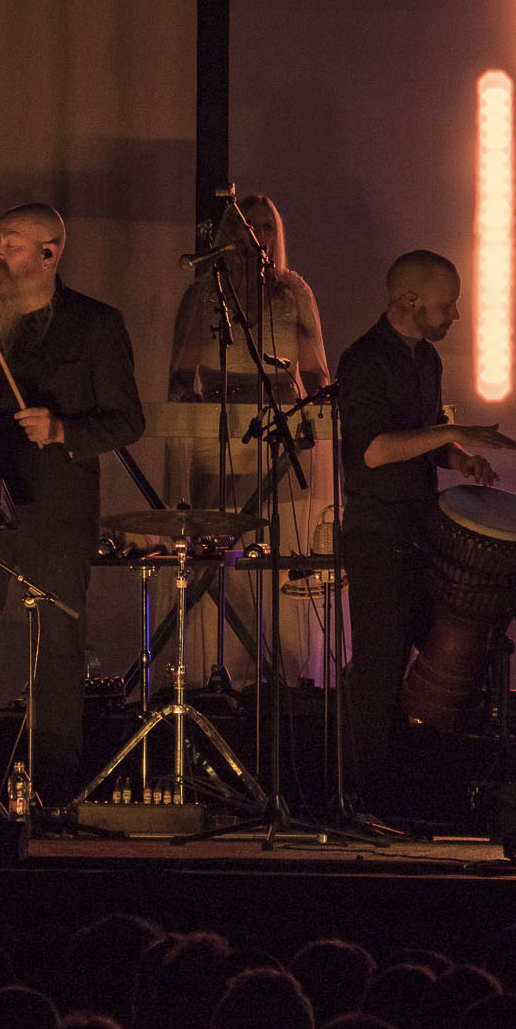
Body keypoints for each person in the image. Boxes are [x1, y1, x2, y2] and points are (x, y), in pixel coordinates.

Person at [0, 202, 145, 806]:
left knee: (57, 649)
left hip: (57, 507)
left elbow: (128, 420)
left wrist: (62, 431)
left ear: (50, 254)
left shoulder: (96, 324)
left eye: (12, 245)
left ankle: (53, 791)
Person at [335, 249, 513, 816]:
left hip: (420, 530)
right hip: (377, 535)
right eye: (449, 304)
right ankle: (367, 800)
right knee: (380, 670)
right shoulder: (362, 361)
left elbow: (422, 435)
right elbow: (375, 449)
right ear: (409, 299)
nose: (455, 315)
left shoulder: (426, 359)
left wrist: (458, 456)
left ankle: (425, 788)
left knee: (449, 656)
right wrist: (453, 432)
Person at [164, 195, 333, 693]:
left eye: (265, 228)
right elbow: (181, 372)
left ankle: (281, 671)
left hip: (278, 425)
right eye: (246, 229)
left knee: (277, 548)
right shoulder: (202, 295)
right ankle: (215, 671)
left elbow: (315, 368)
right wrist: (192, 410)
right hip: (219, 429)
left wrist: (315, 412)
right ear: (225, 237)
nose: (256, 238)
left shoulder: (293, 291)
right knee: (219, 551)